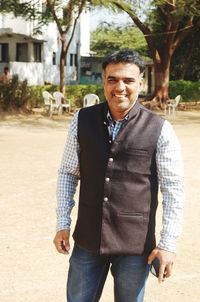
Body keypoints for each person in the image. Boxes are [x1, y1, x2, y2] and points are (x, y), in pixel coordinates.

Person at [53, 49, 184, 302]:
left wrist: (168, 244)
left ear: (141, 84)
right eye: (112, 79)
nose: (119, 87)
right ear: (103, 81)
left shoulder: (160, 129)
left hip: (135, 245)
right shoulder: (82, 119)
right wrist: (62, 223)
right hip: (87, 239)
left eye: (128, 80)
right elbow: (68, 173)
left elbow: (173, 189)